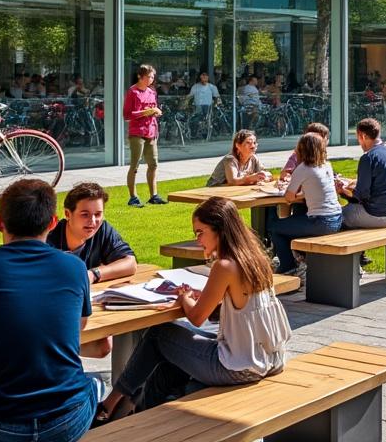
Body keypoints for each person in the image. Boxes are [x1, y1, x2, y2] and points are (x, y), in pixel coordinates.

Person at [0, 178, 108, 440]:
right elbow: (78, 326)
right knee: (96, 386)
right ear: (53, 222)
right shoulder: (75, 269)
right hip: (67, 417)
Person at [96, 197, 292, 421]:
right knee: (169, 361)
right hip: (269, 358)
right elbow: (242, 308)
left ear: (219, 229)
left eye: (200, 232)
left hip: (240, 367)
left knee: (160, 334)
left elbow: (198, 317)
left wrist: (184, 297)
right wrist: (207, 296)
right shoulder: (256, 259)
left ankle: (112, 403)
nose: (197, 240)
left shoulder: (225, 266)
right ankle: (140, 415)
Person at [269, 133, 342, 274]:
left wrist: (289, 192)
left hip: (320, 222)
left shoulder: (303, 169)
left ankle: (288, 266)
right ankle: (297, 260)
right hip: (337, 219)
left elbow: (289, 198)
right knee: (290, 224)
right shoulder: (326, 165)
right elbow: (317, 191)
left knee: (275, 227)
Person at [46, 182, 138, 283]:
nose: (93, 221)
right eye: (85, 214)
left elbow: (130, 263)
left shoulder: (102, 230)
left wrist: (93, 274)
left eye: (98, 214)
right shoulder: (47, 237)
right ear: (68, 214)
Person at [339, 118, 386, 232]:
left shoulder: (368, 158)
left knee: (331, 219)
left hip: (378, 215)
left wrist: (342, 190)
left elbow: (361, 194)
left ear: (362, 136)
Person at [123, 64, 164, 207]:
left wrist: (156, 111)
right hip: (137, 132)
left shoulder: (152, 92)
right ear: (140, 76)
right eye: (148, 76)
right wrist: (146, 112)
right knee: (135, 165)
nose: (151, 79)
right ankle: (133, 197)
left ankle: (154, 195)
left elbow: (154, 109)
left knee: (153, 164)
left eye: (153, 77)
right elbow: (127, 115)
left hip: (151, 131)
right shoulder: (132, 92)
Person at [207, 130, 273, 188]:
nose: (253, 146)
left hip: (236, 191)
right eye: (248, 143)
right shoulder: (230, 159)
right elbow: (233, 181)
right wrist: (251, 178)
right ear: (238, 145)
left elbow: (267, 173)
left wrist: (265, 177)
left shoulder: (253, 158)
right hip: (216, 193)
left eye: (254, 143)